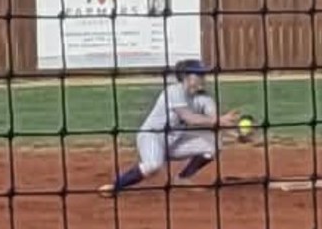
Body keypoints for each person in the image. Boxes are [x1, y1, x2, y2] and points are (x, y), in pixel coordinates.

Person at [99, 59, 240, 195]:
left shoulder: (205, 99)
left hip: (174, 142)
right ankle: (116, 186)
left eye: (203, 75)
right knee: (153, 166)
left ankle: (182, 178)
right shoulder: (174, 91)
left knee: (214, 143)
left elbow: (214, 122)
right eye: (199, 74)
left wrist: (238, 135)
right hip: (152, 137)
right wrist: (220, 120)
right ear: (185, 77)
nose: (203, 78)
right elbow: (189, 118)